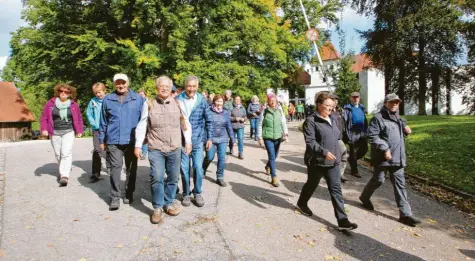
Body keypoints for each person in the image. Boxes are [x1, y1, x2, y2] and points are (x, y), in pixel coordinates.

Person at [134, 76, 191, 224]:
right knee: (157, 177)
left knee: (173, 178)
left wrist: (188, 141)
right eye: (161, 86)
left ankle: (169, 203)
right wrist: (138, 145)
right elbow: (142, 125)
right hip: (156, 148)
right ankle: (158, 207)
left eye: (167, 86)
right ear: (157, 88)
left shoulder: (179, 103)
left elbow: (185, 123)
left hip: (175, 148)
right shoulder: (150, 104)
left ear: (171, 88)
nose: (164, 88)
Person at [297, 92, 358, 231]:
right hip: (317, 161)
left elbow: (337, 137)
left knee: (336, 190)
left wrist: (339, 151)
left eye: (332, 106)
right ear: (319, 105)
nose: (330, 108)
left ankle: (343, 221)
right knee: (312, 184)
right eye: (327, 106)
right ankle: (302, 203)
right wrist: (324, 152)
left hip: (333, 161)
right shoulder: (311, 120)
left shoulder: (333, 118)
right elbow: (310, 142)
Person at [359, 93, 421, 227]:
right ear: (385, 103)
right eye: (392, 102)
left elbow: (396, 133)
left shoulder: (398, 118)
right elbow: (372, 136)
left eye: (397, 102)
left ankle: (405, 215)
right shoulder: (378, 118)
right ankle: (364, 197)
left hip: (397, 157)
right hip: (383, 157)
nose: (394, 104)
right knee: (378, 180)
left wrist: (406, 131)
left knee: (400, 184)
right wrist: (384, 148)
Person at [99, 73, 146, 211]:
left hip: (132, 140)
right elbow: (103, 121)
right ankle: (114, 196)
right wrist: (102, 139)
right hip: (113, 140)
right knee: (115, 169)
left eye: (123, 82)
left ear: (128, 83)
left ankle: (129, 192)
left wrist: (142, 141)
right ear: (114, 84)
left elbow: (144, 121)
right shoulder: (108, 99)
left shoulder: (138, 99)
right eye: (118, 83)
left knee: (132, 169)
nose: (121, 85)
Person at [40, 84, 84, 187]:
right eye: (61, 91)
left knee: (66, 153)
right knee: (58, 154)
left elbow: (79, 118)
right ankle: (63, 168)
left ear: (70, 94)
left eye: (66, 92)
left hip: (68, 131)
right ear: (58, 92)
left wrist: (79, 130)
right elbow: (44, 117)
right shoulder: (50, 104)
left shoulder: (73, 105)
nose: (63, 93)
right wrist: (44, 129)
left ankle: (64, 175)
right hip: (54, 132)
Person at [176, 75, 209, 207]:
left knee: (198, 168)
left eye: (194, 86)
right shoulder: (177, 100)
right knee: (184, 169)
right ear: (185, 86)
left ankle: (198, 192)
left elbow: (209, 120)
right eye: (189, 86)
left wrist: (209, 138)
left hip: (198, 140)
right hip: (182, 141)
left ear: (197, 87)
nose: (191, 89)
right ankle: (186, 194)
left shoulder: (202, 100)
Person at [203, 95, 236, 187]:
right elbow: (204, 125)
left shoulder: (226, 113)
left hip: (223, 138)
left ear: (223, 103)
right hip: (211, 138)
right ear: (214, 102)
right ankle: (203, 169)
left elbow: (229, 127)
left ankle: (220, 177)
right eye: (217, 101)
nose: (218, 103)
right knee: (209, 157)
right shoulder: (208, 111)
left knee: (221, 158)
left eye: (220, 101)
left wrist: (233, 140)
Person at [256, 93, 289, 187]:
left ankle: (267, 166)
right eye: (271, 101)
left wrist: (286, 133)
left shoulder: (280, 110)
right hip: (268, 137)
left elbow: (283, 122)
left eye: (274, 101)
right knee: (271, 156)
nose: (273, 102)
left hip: (278, 137)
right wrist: (259, 137)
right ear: (268, 102)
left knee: (275, 156)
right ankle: (274, 177)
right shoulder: (265, 111)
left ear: (276, 101)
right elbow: (259, 124)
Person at [86, 82, 110, 183]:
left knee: (109, 148)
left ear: (104, 91)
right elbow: (88, 114)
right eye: (96, 93)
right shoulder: (92, 102)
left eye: (99, 92)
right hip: (97, 129)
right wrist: (94, 123)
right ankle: (95, 173)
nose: (98, 95)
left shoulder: (109, 100)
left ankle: (110, 165)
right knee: (97, 150)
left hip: (109, 128)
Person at [343, 91, 368, 178]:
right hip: (352, 132)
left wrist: (366, 131)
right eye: (353, 97)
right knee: (353, 152)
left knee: (364, 149)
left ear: (359, 98)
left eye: (357, 97)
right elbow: (344, 122)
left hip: (361, 132)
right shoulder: (347, 108)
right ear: (350, 98)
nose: (355, 98)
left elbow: (364, 119)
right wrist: (346, 134)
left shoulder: (361, 107)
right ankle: (354, 170)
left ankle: (351, 160)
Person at [330, 94, 349, 183]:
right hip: (331, 138)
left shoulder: (340, 110)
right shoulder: (327, 111)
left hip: (340, 137)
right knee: (335, 157)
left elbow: (343, 124)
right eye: (334, 100)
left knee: (344, 155)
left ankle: (340, 174)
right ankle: (333, 174)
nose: (336, 101)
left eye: (337, 100)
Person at [137, 89, 149, 160]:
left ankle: (144, 153)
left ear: (145, 95)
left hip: (146, 122)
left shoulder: (148, 103)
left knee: (145, 137)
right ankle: (139, 150)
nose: (141, 96)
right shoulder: (136, 103)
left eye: (142, 94)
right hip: (138, 122)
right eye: (139, 95)